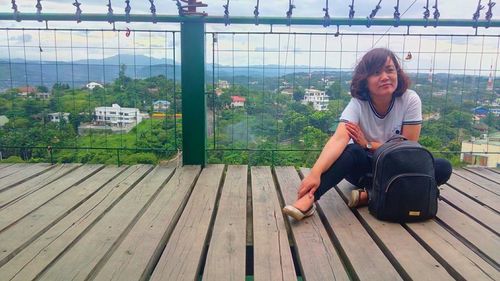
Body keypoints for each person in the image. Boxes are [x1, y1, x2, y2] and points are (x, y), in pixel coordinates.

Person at [282, 48, 452, 221]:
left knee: (442, 167)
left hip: (398, 168)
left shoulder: (410, 99)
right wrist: (315, 174)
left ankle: (371, 195)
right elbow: (339, 139)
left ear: (397, 73)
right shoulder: (358, 104)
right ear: (365, 80)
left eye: (390, 70)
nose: (385, 77)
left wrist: (369, 145)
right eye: (376, 72)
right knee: (352, 151)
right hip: (365, 170)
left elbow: (408, 150)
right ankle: (310, 199)